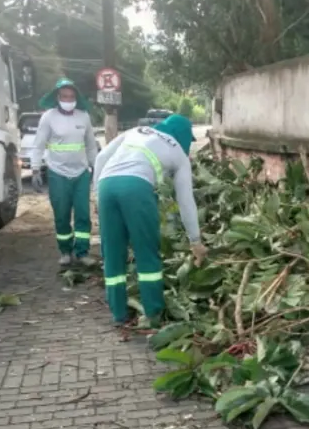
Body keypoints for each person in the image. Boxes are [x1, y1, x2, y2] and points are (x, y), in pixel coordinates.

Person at [92, 114, 207, 327]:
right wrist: (195, 240)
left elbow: (100, 159)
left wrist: (95, 197)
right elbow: (186, 201)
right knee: (146, 252)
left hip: (106, 186)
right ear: (182, 135)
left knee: (113, 253)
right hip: (137, 189)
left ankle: (118, 315)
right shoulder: (178, 153)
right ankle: (153, 313)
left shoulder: (135, 131)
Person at [29, 78, 100, 267]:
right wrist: (35, 169)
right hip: (58, 173)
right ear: (57, 98)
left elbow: (91, 146)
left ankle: (82, 252)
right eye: (64, 96)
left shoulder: (83, 117)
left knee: (83, 215)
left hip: (81, 173)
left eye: (71, 96)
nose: (68, 100)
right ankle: (65, 251)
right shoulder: (48, 117)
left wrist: (98, 168)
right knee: (61, 214)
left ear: (76, 98)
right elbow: (38, 146)